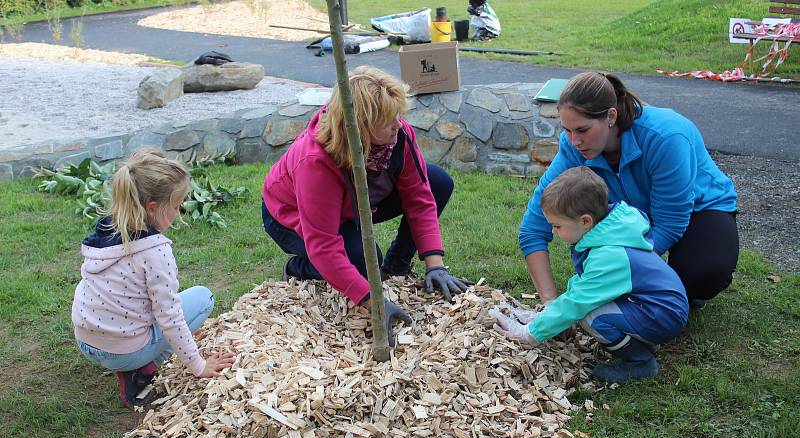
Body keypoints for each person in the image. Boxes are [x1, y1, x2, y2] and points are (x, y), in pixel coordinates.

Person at [262, 66, 469, 340]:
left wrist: (436, 264)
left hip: (359, 201)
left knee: (438, 181)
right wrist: (374, 302)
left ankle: (397, 266)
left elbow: (419, 198)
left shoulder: (399, 134)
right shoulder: (315, 162)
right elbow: (324, 245)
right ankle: (297, 268)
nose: (399, 123)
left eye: (398, 114)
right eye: (387, 120)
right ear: (361, 126)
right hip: (290, 214)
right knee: (362, 259)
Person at [519, 72, 738, 308]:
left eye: (582, 130)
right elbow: (533, 227)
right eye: (567, 130)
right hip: (634, 216)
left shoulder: (666, 136)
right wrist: (550, 303)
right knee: (610, 276)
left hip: (700, 209)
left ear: (610, 116)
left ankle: (684, 285)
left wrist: (620, 272)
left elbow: (670, 222)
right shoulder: (572, 148)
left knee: (700, 274)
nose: (575, 141)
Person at [493, 167, 689, 382]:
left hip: (661, 315)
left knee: (590, 314)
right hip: (653, 306)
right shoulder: (611, 233)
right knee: (588, 304)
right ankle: (639, 339)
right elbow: (582, 285)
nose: (552, 232)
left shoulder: (610, 256)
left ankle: (639, 361)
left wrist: (528, 334)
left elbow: (577, 303)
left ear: (585, 221)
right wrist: (545, 315)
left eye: (557, 226)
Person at [72, 149, 235, 406]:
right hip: (124, 352)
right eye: (176, 206)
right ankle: (141, 371)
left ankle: (129, 357)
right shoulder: (155, 252)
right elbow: (169, 318)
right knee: (204, 298)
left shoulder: (105, 229)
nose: (179, 213)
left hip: (86, 341)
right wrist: (198, 365)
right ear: (153, 207)